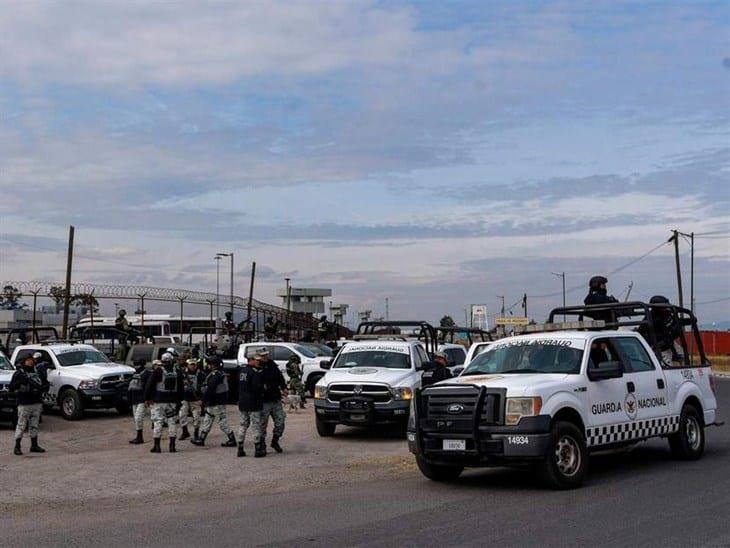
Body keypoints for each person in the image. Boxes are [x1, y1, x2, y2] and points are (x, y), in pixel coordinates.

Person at [192, 356, 236, 448]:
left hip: (217, 402)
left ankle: (232, 439)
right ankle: (201, 439)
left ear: (213, 365)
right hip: (215, 402)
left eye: (209, 364)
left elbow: (210, 389)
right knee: (207, 420)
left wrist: (203, 400)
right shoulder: (219, 373)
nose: (208, 366)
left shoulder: (216, 375)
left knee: (222, 422)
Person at [144, 353, 184, 453]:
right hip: (172, 402)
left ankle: (157, 446)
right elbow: (181, 388)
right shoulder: (178, 372)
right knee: (172, 422)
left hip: (159, 401)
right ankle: (172, 446)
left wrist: (147, 398)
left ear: (162, 361)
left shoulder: (157, 371)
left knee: (158, 422)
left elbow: (149, 385)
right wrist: (179, 401)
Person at [10, 355, 49, 455]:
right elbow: (12, 387)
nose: (31, 362)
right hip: (24, 403)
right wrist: (20, 384)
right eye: (28, 360)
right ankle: (17, 446)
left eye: (32, 360)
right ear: (24, 362)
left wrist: (44, 387)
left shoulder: (37, 372)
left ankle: (34, 445)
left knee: (34, 425)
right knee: (21, 425)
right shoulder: (19, 373)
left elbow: (44, 383)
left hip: (36, 402)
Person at [258, 349, 287, 454]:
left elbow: (280, 377)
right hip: (264, 400)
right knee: (262, 424)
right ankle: (261, 444)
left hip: (275, 398)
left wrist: (284, 387)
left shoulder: (272, 364)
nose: (265, 357)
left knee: (281, 421)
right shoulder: (257, 367)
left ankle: (275, 441)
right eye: (262, 355)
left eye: (266, 355)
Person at [236, 356, 265, 457]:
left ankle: (240, 448)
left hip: (243, 402)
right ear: (251, 361)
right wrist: (263, 389)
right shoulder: (254, 373)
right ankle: (257, 449)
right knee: (256, 425)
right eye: (256, 360)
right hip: (253, 402)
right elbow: (257, 387)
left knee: (243, 425)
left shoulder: (242, 371)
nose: (258, 362)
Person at [179, 358, 205, 441]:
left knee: (197, 417)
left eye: (194, 365)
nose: (192, 366)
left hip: (196, 399)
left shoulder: (201, 374)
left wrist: (202, 398)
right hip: (184, 398)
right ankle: (185, 431)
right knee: (182, 415)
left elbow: (204, 387)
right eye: (191, 365)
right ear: (188, 365)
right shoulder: (182, 373)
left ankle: (196, 434)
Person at [128, 358, 153, 444]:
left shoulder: (147, 374)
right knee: (136, 419)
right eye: (135, 365)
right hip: (134, 399)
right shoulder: (135, 374)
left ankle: (140, 437)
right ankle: (139, 436)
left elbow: (148, 388)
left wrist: (147, 399)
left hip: (142, 399)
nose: (136, 367)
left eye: (137, 365)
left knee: (139, 418)